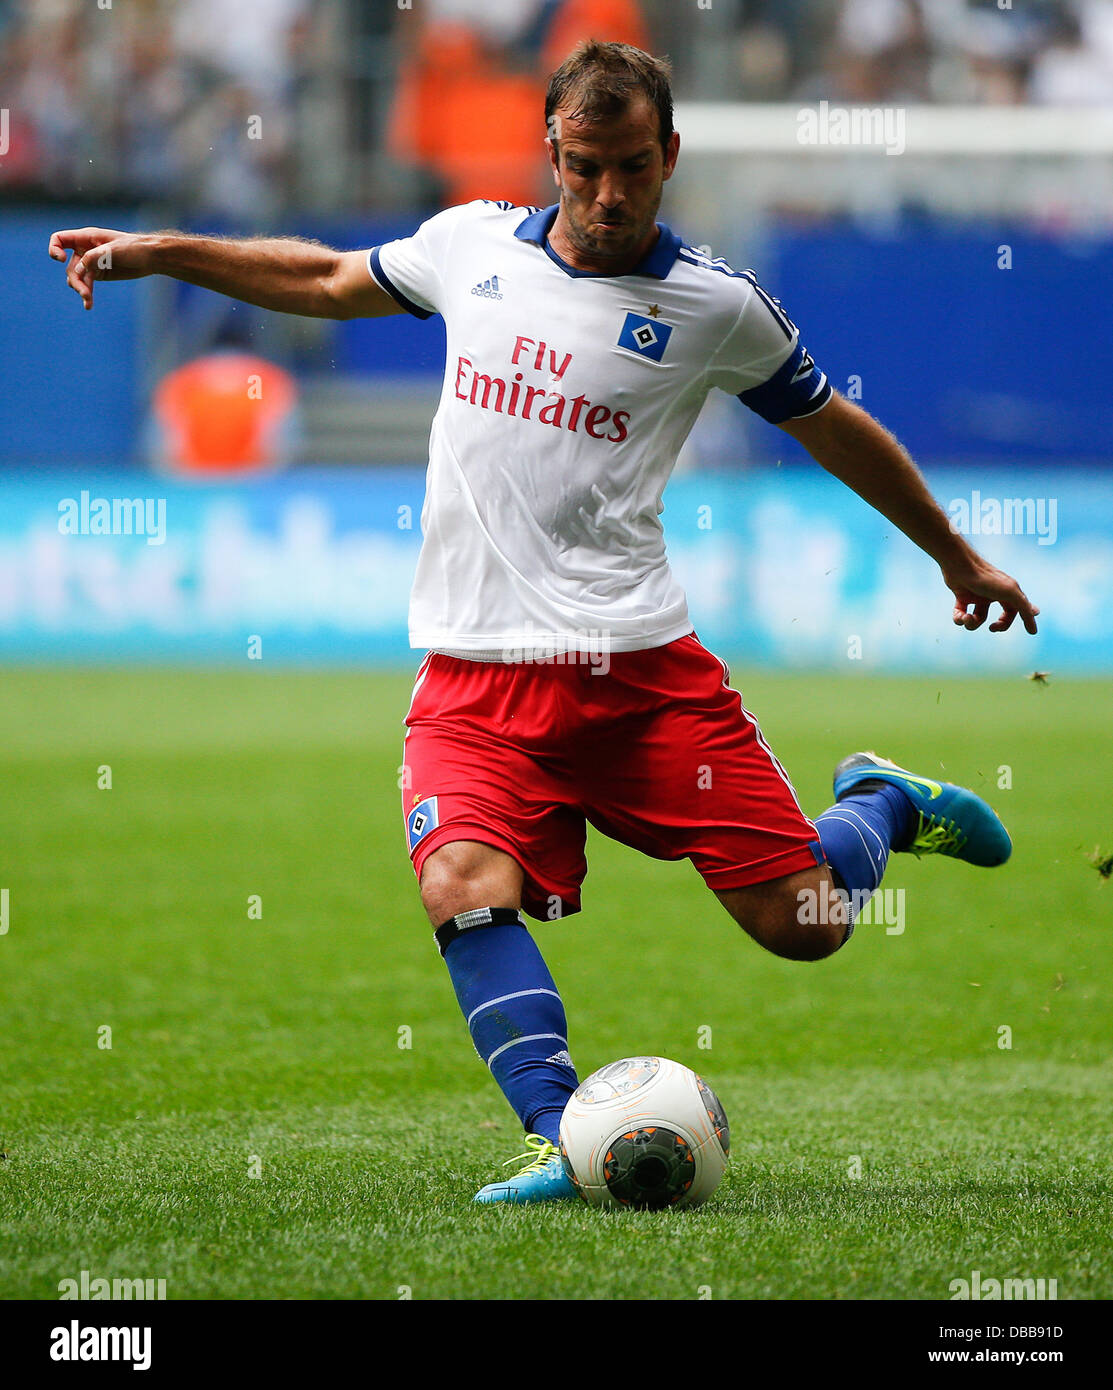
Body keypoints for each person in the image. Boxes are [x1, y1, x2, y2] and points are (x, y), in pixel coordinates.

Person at [49, 40, 1039, 1207]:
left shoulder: (717, 305)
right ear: (550, 155)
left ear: (669, 156)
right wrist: (168, 252)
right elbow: (322, 280)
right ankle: (557, 1136)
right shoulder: (470, 244)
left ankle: (880, 796)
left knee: (804, 923)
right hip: (474, 682)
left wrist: (954, 552)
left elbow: (833, 428)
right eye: (584, 168)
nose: (609, 196)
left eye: (633, 169)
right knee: (462, 880)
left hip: (639, 677)